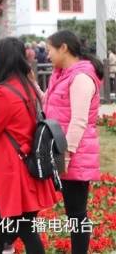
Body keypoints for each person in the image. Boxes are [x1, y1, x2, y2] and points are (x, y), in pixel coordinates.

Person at [0, 37, 57, 254]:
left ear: (1, 58)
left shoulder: (3, 92)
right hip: (26, 164)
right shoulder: (28, 86)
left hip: (14, 171)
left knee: (24, 228)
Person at [41, 30, 103, 254]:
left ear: (63, 48)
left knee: (77, 213)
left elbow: (79, 121)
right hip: (62, 149)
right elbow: (52, 103)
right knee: (73, 212)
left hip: (74, 153)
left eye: (49, 50)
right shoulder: (62, 74)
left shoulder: (81, 78)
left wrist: (65, 155)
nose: (47, 56)